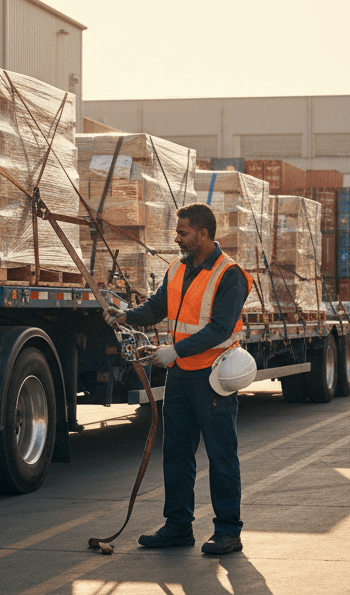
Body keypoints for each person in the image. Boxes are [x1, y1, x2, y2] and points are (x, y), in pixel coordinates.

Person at [103, 203, 251, 555]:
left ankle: (229, 530)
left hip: (213, 377)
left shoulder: (230, 275)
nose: (177, 238)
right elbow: (156, 308)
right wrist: (125, 316)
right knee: (176, 452)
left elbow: (219, 328)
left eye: (183, 232)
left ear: (203, 234)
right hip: (182, 377)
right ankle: (178, 525)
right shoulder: (177, 268)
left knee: (221, 455)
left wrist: (176, 351)